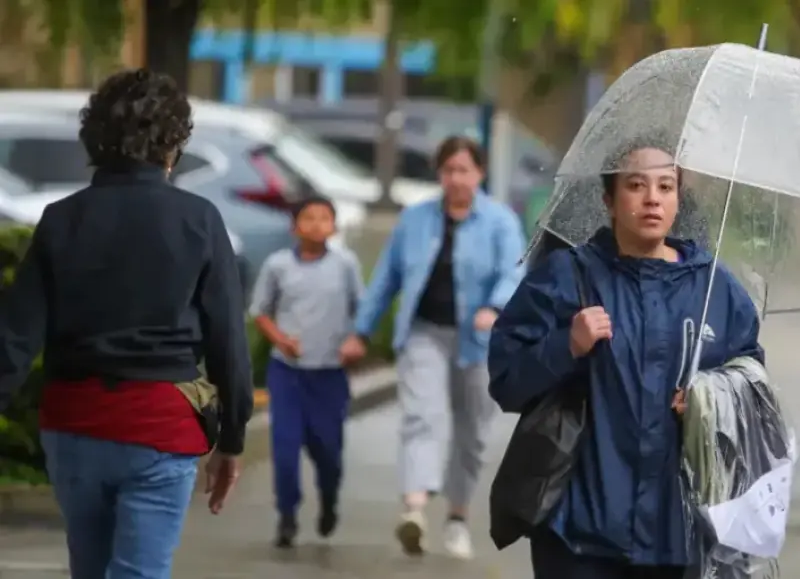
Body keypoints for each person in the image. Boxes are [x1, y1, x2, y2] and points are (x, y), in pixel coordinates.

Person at [0, 69, 253, 579]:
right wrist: (232, 439)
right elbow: (228, 341)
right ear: (173, 145)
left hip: (73, 425)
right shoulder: (199, 220)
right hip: (161, 426)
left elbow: (14, 340)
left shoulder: (61, 219)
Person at [488, 141, 764, 578]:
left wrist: (710, 402)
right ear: (609, 200)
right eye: (636, 185)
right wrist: (567, 346)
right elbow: (505, 379)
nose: (652, 198)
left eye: (666, 186)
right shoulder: (567, 277)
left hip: (680, 536)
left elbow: (753, 393)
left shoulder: (716, 291)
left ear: (678, 198)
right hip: (579, 533)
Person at [343, 135, 526, 559]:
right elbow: (386, 278)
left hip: (479, 340)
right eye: (449, 171)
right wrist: (361, 331)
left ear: (479, 173)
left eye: (465, 170)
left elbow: (515, 271)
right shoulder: (416, 219)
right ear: (439, 173)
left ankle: (457, 518)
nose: (456, 179)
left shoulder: (500, 221)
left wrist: (494, 306)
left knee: (472, 432)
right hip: (424, 332)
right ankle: (415, 509)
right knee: (422, 417)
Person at [249, 196, 365, 548]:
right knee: (284, 448)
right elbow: (260, 311)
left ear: (334, 226)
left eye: (324, 218)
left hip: (329, 374)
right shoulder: (278, 265)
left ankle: (328, 500)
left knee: (327, 450)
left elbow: (363, 309)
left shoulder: (345, 264)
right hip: (288, 373)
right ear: (294, 226)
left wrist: (356, 341)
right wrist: (281, 341)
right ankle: (287, 515)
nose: (316, 224)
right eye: (308, 218)